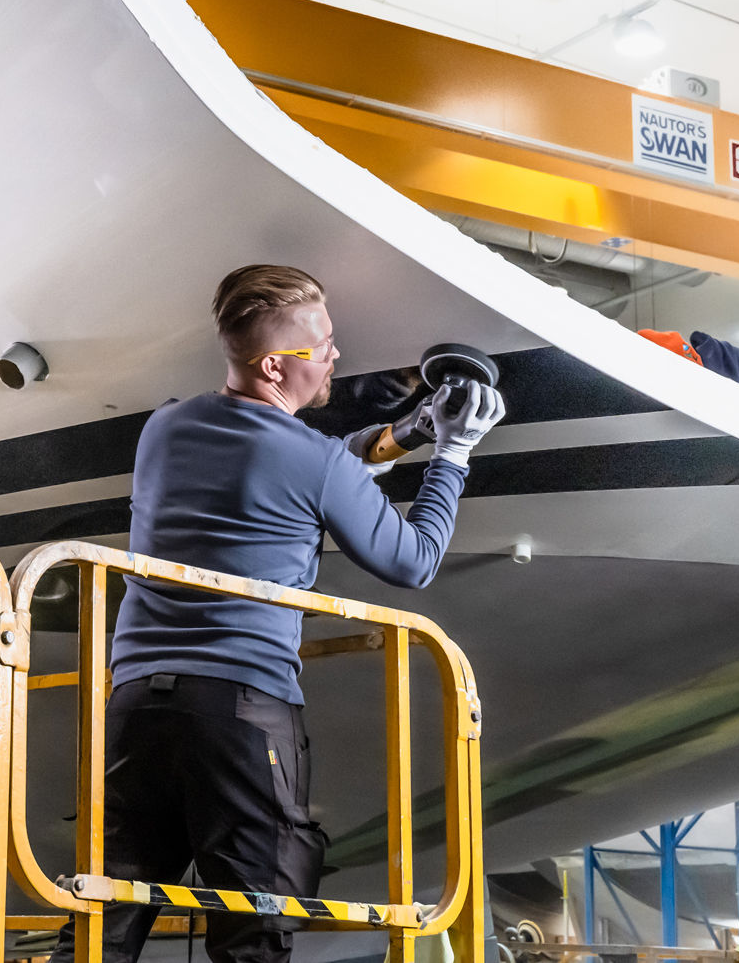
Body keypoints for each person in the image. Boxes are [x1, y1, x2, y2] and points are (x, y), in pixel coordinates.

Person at [55, 263, 505, 963]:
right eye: (321, 344)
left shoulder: (166, 428)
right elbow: (412, 561)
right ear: (273, 365)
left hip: (136, 711)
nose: (335, 356)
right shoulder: (315, 462)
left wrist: (403, 434)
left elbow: (289, 463)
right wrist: (453, 453)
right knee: (252, 936)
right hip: (240, 719)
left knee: (100, 930)